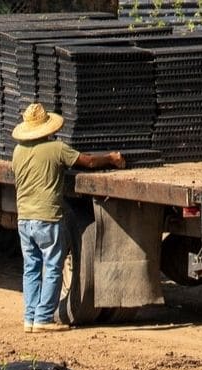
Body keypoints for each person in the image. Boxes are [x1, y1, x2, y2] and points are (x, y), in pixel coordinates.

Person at [12, 102, 127, 332]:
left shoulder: (17, 151)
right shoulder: (56, 149)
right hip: (47, 217)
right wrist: (111, 158)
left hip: (24, 219)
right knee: (53, 266)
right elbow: (89, 162)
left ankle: (30, 318)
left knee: (31, 268)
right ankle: (43, 319)